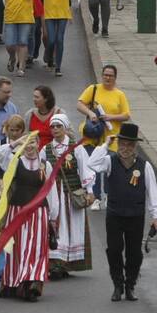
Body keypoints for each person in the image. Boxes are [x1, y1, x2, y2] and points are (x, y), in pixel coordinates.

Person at [86, 124, 157, 302]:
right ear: (117, 144)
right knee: (114, 250)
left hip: (135, 215)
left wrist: (156, 215)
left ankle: (130, 285)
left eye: (129, 145)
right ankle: (117, 285)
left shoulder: (145, 166)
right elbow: (92, 164)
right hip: (114, 214)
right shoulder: (109, 161)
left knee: (134, 253)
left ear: (135, 146)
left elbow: (153, 192)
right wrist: (105, 145)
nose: (125, 149)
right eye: (122, 144)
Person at [0, 133, 58, 301]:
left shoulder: (45, 165)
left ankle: (32, 282)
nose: (30, 146)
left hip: (39, 212)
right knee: (17, 247)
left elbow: (50, 190)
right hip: (17, 211)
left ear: (39, 144)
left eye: (33, 142)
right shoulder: (15, 161)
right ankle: (12, 282)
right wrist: (16, 143)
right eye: (27, 143)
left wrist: (53, 214)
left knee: (36, 248)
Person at [43, 113, 94, 279]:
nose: (55, 129)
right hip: (54, 197)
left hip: (72, 194)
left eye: (59, 126)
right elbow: (41, 171)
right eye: (53, 126)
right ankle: (56, 264)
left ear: (65, 128)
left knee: (73, 228)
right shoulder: (46, 149)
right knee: (57, 228)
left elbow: (85, 169)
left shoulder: (75, 147)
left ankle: (69, 263)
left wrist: (90, 191)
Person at [36, 0, 77, 75]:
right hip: (49, 12)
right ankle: (49, 58)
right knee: (51, 39)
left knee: (60, 39)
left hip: (63, 12)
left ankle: (58, 67)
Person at [75, 64, 131, 150]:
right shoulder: (93, 89)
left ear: (115, 78)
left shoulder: (120, 95)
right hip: (92, 138)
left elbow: (126, 115)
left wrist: (110, 117)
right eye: (105, 75)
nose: (107, 78)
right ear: (102, 76)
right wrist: (90, 113)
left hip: (111, 141)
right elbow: (79, 105)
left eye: (110, 76)